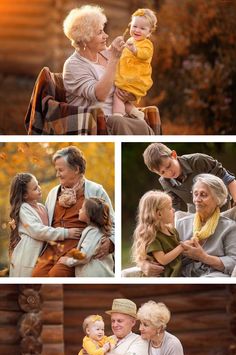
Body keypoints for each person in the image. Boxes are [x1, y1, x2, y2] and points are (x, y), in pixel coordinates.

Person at [63, 5, 154, 135]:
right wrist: (114, 60)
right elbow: (100, 95)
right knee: (123, 123)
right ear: (85, 39)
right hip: (96, 123)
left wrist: (129, 93)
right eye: (100, 32)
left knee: (142, 124)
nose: (106, 35)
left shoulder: (105, 53)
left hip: (119, 116)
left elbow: (127, 77)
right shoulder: (74, 66)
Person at [32, 146, 115, 277]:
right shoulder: (54, 193)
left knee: (56, 276)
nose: (57, 174)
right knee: (35, 276)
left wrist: (111, 242)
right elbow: (44, 223)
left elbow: (112, 221)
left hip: (77, 249)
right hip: (51, 249)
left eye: (61, 170)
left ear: (76, 169)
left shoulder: (96, 190)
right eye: (56, 170)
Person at [8, 173, 80, 277]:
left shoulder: (42, 207)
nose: (39, 189)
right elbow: (39, 231)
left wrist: (65, 199)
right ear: (25, 195)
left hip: (42, 256)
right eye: (35, 188)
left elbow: (53, 223)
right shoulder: (23, 209)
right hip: (27, 257)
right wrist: (66, 233)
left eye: (38, 185)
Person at [143, 143, 236, 211]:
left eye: (169, 166)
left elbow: (228, 179)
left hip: (223, 208)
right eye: (162, 172)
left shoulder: (198, 161)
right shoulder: (165, 182)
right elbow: (176, 208)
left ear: (173, 155)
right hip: (197, 213)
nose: (169, 173)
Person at [176, 173, 236, 277]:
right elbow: (163, 252)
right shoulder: (181, 224)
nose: (197, 200)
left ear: (218, 199)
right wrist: (146, 264)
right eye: (195, 194)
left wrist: (203, 257)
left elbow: (233, 262)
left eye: (203, 195)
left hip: (214, 275)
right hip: (184, 275)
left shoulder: (230, 227)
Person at [114, 8, 157, 119]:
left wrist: (135, 50)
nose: (137, 30)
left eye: (142, 28)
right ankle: (136, 113)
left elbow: (145, 54)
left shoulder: (146, 44)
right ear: (130, 26)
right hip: (126, 78)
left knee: (117, 97)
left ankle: (118, 117)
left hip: (134, 80)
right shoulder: (130, 41)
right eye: (134, 26)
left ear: (149, 32)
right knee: (122, 98)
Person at [132, 190, 184, 277]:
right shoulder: (152, 236)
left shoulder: (172, 231)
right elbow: (163, 260)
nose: (174, 210)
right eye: (170, 208)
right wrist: (182, 247)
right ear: (159, 214)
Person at [58, 197, 114, 276]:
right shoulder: (97, 230)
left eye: (82, 209)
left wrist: (68, 261)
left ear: (89, 214)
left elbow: (84, 256)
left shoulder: (93, 232)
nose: (79, 210)